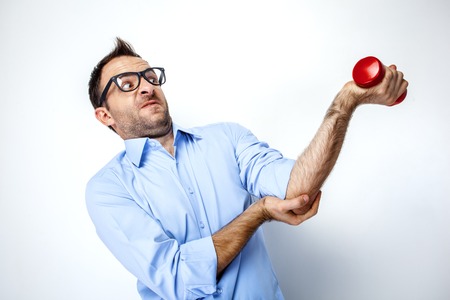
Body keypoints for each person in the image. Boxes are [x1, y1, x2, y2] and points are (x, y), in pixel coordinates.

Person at [86, 38, 407, 300]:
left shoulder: (227, 138)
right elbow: (180, 281)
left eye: (150, 77)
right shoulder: (109, 189)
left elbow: (297, 190)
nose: (146, 87)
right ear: (105, 116)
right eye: (126, 84)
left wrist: (345, 102)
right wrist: (259, 212)